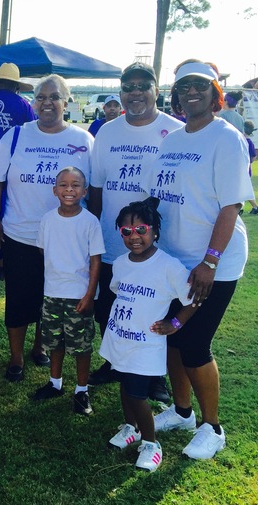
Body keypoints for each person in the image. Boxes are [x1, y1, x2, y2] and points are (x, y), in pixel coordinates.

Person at [146, 61, 253, 460]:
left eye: (199, 86)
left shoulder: (226, 138)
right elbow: (160, 196)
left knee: (194, 344)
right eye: (183, 87)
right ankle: (182, 411)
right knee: (172, 339)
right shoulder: (172, 140)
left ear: (214, 92)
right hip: (175, 259)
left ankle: (213, 427)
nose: (190, 92)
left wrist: (209, 262)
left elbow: (231, 206)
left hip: (215, 263)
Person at [0, 74, 93, 383]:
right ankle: (16, 355)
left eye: (54, 97)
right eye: (41, 97)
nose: (47, 103)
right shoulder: (17, 135)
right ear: (34, 102)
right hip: (20, 234)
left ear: (67, 101)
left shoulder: (84, 140)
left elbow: (93, 186)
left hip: (66, 238)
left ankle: (39, 347)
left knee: (52, 297)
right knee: (20, 298)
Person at [88, 62, 185, 402]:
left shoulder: (175, 131)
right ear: (120, 92)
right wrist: (94, 233)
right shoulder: (107, 132)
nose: (135, 92)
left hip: (156, 245)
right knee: (110, 308)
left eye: (144, 85)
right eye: (128, 86)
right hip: (115, 243)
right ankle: (114, 363)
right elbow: (97, 188)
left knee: (156, 313)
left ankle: (156, 378)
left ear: (157, 90)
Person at [100, 198, 196, 472]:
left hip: (145, 345)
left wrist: (175, 323)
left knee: (137, 394)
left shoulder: (169, 266)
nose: (134, 237)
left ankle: (151, 444)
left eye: (141, 229)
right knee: (123, 383)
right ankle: (130, 428)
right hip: (120, 339)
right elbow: (119, 292)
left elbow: (194, 298)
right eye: (126, 232)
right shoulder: (120, 263)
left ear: (155, 231)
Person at [32, 168, 104, 416]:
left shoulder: (90, 222)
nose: (69, 190)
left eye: (75, 186)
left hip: (79, 296)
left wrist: (89, 294)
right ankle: (55, 383)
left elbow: (96, 260)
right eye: (63, 185)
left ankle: (81, 390)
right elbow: (43, 252)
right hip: (52, 293)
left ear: (84, 191)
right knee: (54, 341)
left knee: (81, 346)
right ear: (55, 190)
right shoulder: (47, 220)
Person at [241, 120, 258, 215]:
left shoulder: (242, 140)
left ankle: (255, 207)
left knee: (245, 190)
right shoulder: (249, 142)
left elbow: (253, 156)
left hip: (244, 170)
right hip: (247, 169)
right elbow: (253, 155)